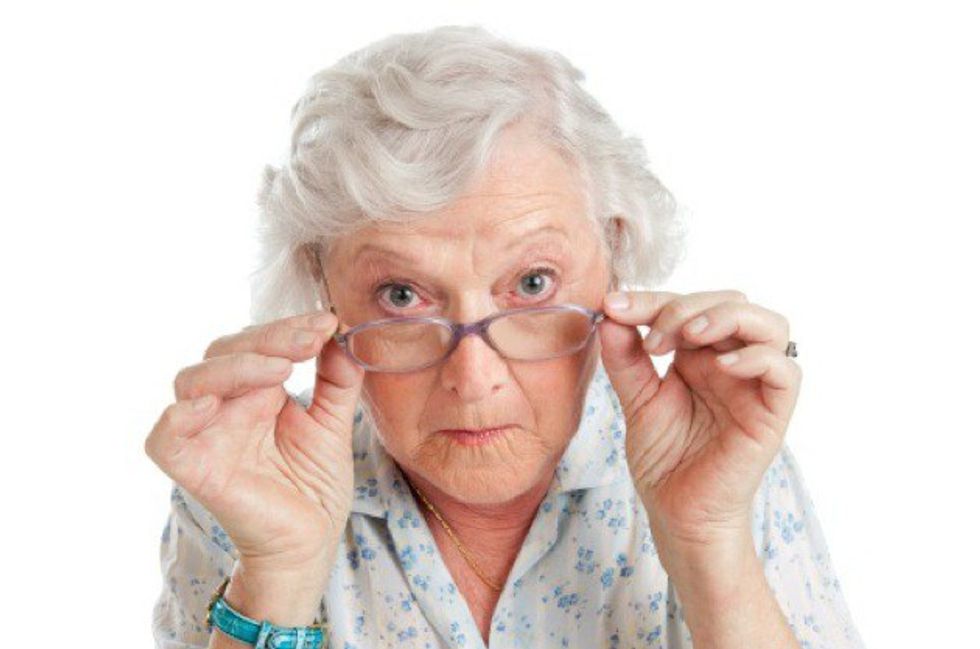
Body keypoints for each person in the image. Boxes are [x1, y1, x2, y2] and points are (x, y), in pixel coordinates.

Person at [145, 24, 864, 649]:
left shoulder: (722, 463)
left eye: (532, 282)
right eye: (402, 295)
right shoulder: (249, 486)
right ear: (322, 290)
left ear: (615, 255)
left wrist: (709, 541)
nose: (474, 376)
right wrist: (277, 574)